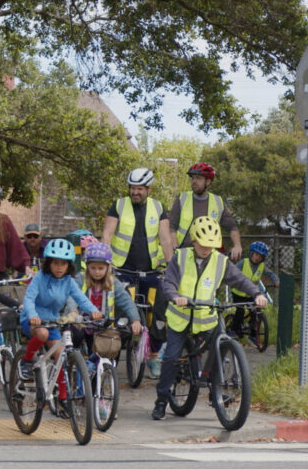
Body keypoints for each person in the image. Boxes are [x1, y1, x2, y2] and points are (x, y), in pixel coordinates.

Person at [151, 217, 268, 420]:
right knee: (170, 358)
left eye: (211, 246)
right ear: (194, 240)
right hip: (181, 319)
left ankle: (215, 388)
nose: (206, 249)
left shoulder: (220, 262)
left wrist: (256, 293)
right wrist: (175, 297)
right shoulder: (180, 257)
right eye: (203, 245)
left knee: (219, 347)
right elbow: (168, 283)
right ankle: (161, 400)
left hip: (206, 318)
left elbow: (240, 280)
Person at [102, 167, 173, 363]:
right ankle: (111, 360)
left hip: (150, 270)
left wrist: (171, 266)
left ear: (149, 189)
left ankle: (154, 354)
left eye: (140, 188)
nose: (135, 192)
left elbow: (166, 240)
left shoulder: (158, 208)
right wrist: (105, 262)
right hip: (122, 269)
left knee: (158, 315)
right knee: (121, 317)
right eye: (132, 188)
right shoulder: (118, 205)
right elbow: (107, 234)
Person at [18, 239, 103, 387]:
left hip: (52, 320)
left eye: (63, 264)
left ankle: (63, 399)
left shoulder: (69, 281)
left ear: (69, 265)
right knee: (42, 334)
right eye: (56, 263)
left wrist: (94, 311)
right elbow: (29, 299)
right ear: (49, 263)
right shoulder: (39, 278)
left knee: (60, 358)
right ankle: (26, 361)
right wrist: (32, 315)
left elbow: (81, 299)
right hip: (33, 318)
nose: (59, 267)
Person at [65, 242, 142, 354]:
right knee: (76, 337)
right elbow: (71, 295)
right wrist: (73, 311)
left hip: (101, 324)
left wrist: (135, 320)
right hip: (81, 322)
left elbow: (127, 301)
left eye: (101, 268)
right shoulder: (80, 279)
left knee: (105, 349)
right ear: (87, 266)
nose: (97, 272)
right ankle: (73, 361)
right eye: (93, 268)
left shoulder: (113, 283)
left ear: (108, 267)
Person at [168, 162, 242, 261]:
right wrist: (174, 245)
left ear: (208, 181)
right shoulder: (182, 198)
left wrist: (237, 245)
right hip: (184, 254)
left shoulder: (218, 201)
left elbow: (231, 227)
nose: (194, 181)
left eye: (198, 178)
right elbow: (171, 226)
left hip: (208, 256)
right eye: (193, 178)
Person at [228, 241, 279, 335]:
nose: (257, 258)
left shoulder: (261, 266)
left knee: (256, 311)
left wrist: (276, 281)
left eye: (260, 256)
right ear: (251, 253)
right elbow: (233, 272)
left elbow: (271, 274)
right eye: (256, 254)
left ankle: (252, 332)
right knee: (240, 311)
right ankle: (233, 330)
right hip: (238, 293)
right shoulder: (243, 262)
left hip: (251, 294)